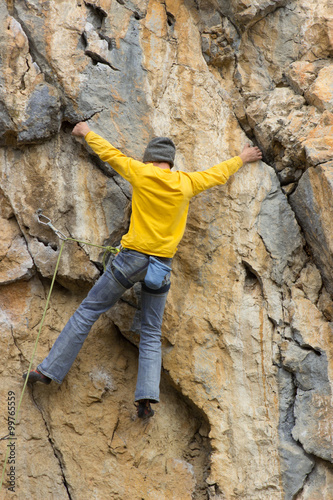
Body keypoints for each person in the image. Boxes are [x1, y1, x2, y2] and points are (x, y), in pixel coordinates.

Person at [23, 122, 262, 418]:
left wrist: (85, 132)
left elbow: (110, 154)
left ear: (149, 159)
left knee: (88, 312)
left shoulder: (141, 172)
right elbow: (217, 174)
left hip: (130, 261)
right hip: (160, 267)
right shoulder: (186, 182)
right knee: (150, 331)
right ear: (170, 162)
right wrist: (242, 157)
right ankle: (146, 399)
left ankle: (48, 371)